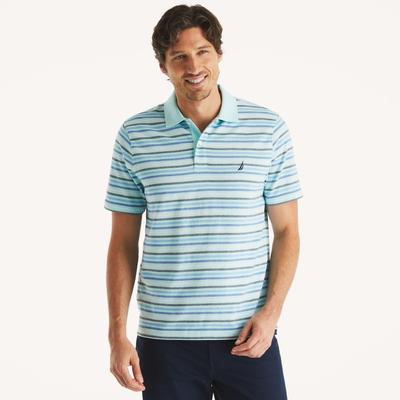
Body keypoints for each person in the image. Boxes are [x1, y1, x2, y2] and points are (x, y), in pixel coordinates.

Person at [104, 4, 303, 399]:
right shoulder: (135, 135)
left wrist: (271, 313)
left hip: (250, 335)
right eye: (179, 56)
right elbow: (122, 242)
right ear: (163, 66)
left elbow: (287, 232)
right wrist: (116, 335)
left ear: (219, 54)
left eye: (202, 52)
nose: (193, 66)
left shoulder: (267, 129)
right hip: (165, 342)